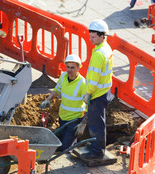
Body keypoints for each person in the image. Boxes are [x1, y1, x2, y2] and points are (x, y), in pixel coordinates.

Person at [76, 19, 114, 160]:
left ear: (102, 36)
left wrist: (88, 93)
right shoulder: (105, 48)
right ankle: (95, 147)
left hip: (97, 94)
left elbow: (93, 78)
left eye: (93, 37)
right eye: (90, 36)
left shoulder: (98, 54)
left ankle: (97, 152)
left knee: (96, 125)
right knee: (98, 122)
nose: (90, 39)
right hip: (103, 92)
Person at [40, 54, 87, 152]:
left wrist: (83, 124)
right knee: (61, 142)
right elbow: (57, 90)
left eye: (73, 68)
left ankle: (71, 150)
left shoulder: (82, 83)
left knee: (65, 148)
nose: (69, 70)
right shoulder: (63, 76)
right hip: (62, 117)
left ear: (78, 68)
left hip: (74, 120)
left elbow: (89, 104)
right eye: (68, 67)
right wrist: (48, 99)